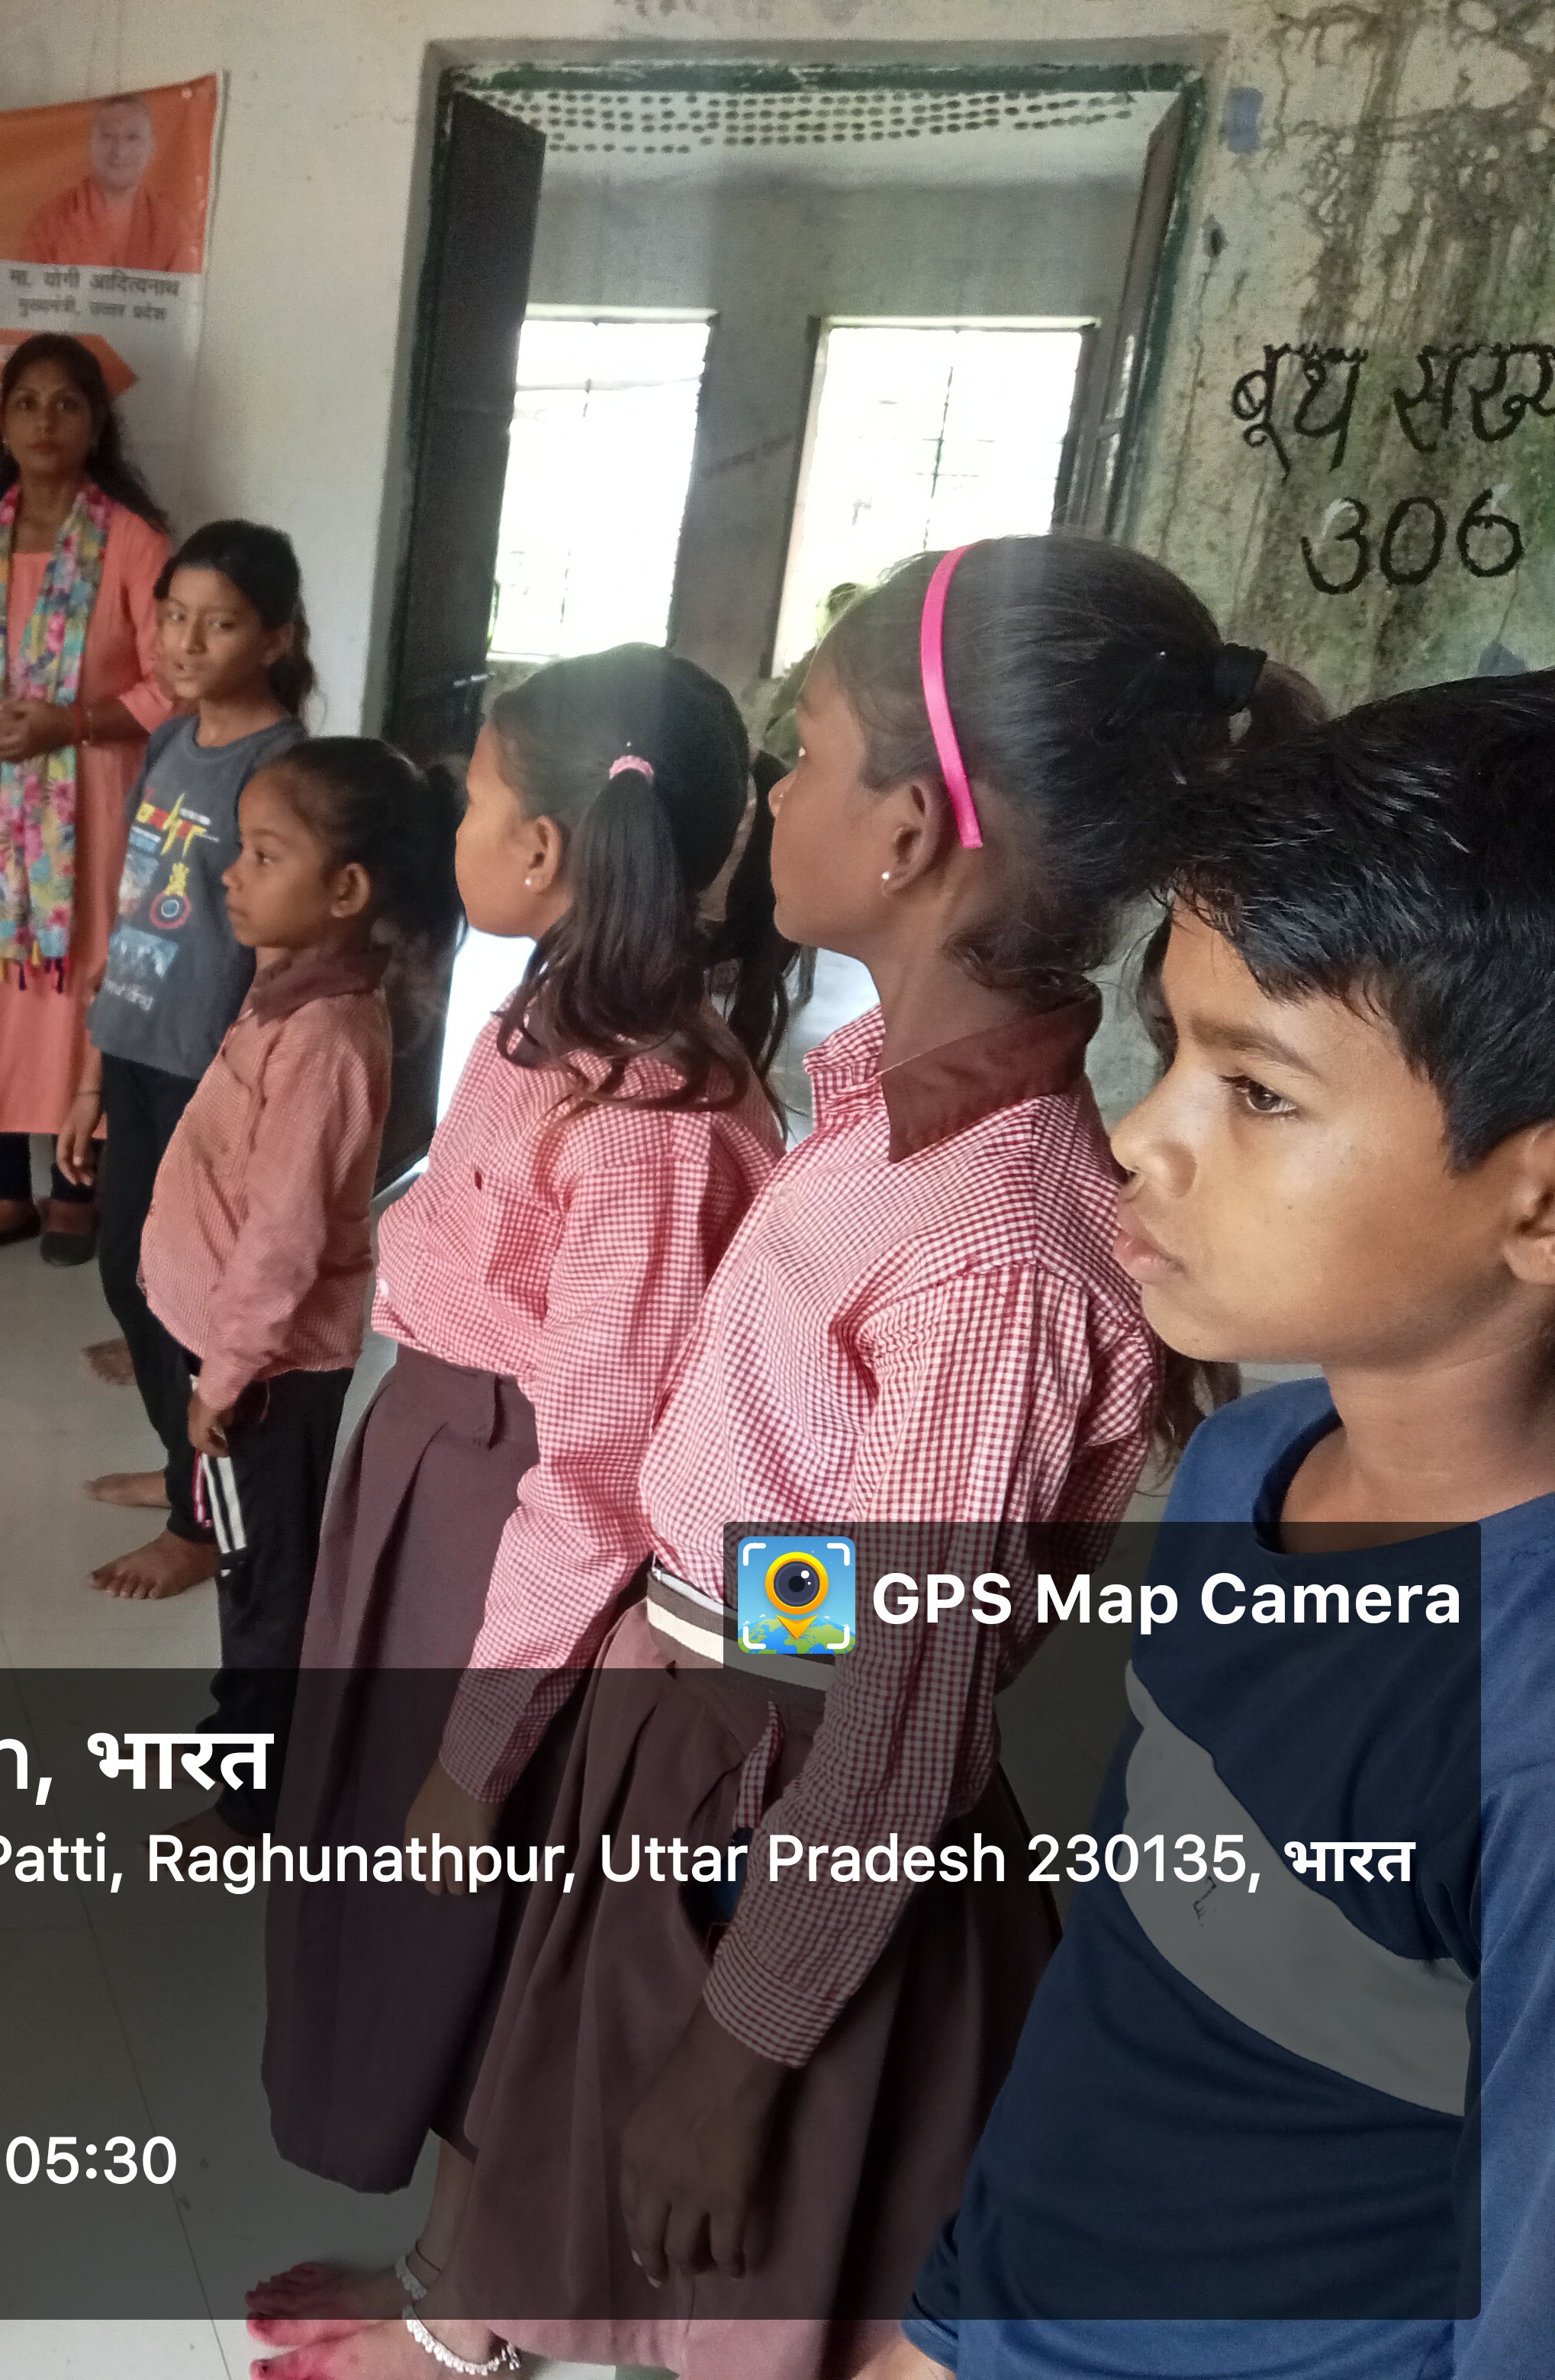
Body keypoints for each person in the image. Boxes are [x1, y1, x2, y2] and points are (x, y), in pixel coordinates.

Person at [256, 539, 1314, 2380]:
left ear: (906, 831)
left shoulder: (992, 1246)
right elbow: (821, 1553)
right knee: (599, 2206)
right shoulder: (881, 1129)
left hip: (790, 1812)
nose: (770, 792)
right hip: (711, 1740)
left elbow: (901, 1706)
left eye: (804, 750)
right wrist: (670, 1631)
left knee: (730, 2273)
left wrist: (741, 2053)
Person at [879, 675, 1555, 2380]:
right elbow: (1137, 1971)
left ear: (1540, 1201)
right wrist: (954, 2317)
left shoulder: (1523, 1738)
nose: (1137, 1137)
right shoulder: (1252, 1462)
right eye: (1174, 1047)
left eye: (1257, 1092)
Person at [248, 648, 793, 2327]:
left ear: (546, 846)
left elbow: (601, 1475)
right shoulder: (546, 1019)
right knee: (391, 1876)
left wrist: (482, 1746)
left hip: (514, 1551)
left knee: (485, 1915)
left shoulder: (651, 1117)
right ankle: (442, 2248)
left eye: (477, 798)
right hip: (438, 1489)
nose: (459, 824)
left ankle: (459, 2301)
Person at [138, 738, 458, 1833]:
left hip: (261, 1375)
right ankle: (246, 1730)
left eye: (265, 854)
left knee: (262, 1577)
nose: (231, 872)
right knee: (247, 1555)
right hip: (231, 1352)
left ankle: (255, 1786)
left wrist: (223, 1378)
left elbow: (280, 1241)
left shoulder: (326, 1038)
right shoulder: (289, 988)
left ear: (346, 890)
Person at [66, 520, 308, 1596]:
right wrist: (88, 1074)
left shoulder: (280, 769)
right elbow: (132, 912)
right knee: (131, 1274)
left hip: (207, 1070)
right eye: (172, 617)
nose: (184, 643)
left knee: (182, 1295)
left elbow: (283, 943)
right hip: (134, 1046)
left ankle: (197, 1517)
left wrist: (254, 1088)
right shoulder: (169, 742)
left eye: (219, 624)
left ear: (276, 638)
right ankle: (183, 1472)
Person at [0, 332, 173, 1262]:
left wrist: (72, 722)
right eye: (25, 403)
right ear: (1, 423)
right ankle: (3, 1195)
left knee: (75, 985)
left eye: (65, 404)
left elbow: (174, 683)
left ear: (96, 424)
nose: (44, 421)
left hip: (89, 808)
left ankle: (74, 1193)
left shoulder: (132, 544)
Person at [19, 93, 201, 273]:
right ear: (91, 145)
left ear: (151, 148)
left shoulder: (171, 227)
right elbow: (23, 286)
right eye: (108, 136)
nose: (119, 151)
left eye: (132, 137)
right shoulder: (52, 220)